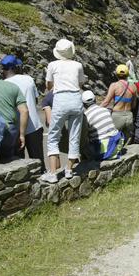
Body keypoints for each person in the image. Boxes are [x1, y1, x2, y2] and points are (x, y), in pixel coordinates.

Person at [41, 39, 86, 183]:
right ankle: (69, 170)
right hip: (75, 98)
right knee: (74, 135)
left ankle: (53, 173)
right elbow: (80, 83)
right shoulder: (78, 65)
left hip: (60, 99)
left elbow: (48, 85)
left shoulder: (52, 65)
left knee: (54, 135)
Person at [1, 54, 45, 165]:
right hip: (34, 126)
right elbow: (35, 101)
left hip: (15, 129)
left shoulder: (3, 84)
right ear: (15, 67)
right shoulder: (28, 79)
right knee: (38, 161)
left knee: (18, 163)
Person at [81, 90, 124, 161]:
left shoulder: (86, 116)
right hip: (116, 146)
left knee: (83, 143)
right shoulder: (105, 110)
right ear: (95, 100)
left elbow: (85, 136)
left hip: (102, 150)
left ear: (83, 104)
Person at [101, 64, 137, 144]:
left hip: (117, 115)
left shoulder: (114, 85)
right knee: (127, 144)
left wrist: (96, 109)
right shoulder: (133, 87)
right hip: (129, 115)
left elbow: (106, 102)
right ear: (127, 75)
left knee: (114, 141)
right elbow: (134, 105)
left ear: (116, 74)